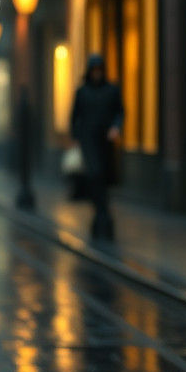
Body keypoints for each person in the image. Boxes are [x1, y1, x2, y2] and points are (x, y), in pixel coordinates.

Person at [70, 52, 124, 240]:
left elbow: (120, 111)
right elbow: (75, 116)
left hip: (106, 143)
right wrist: (76, 137)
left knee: (104, 178)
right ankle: (101, 215)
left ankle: (102, 216)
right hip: (88, 141)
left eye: (99, 70)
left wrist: (116, 128)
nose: (97, 74)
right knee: (94, 175)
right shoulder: (82, 92)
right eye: (94, 71)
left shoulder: (111, 90)